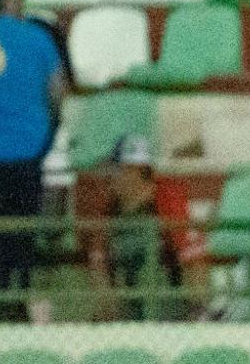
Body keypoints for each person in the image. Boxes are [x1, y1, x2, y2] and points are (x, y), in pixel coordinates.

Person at [0, 0, 66, 321]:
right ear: (11, 1)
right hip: (29, 155)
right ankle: (18, 298)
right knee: (22, 232)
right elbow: (57, 92)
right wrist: (46, 135)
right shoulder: (37, 38)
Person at [88, 135, 206, 322]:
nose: (110, 176)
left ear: (136, 170)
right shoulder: (109, 210)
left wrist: (197, 311)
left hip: (169, 309)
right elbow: (99, 265)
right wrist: (108, 308)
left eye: (116, 169)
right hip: (128, 306)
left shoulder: (167, 202)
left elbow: (194, 262)